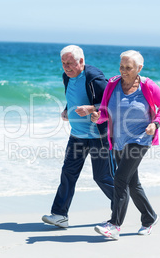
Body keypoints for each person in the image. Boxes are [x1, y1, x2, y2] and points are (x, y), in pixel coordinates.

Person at [91, 50, 160, 240]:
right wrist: (97, 118)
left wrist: (155, 123)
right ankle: (150, 217)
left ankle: (115, 225)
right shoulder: (112, 84)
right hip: (118, 140)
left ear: (139, 68)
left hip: (140, 139)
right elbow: (105, 110)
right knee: (133, 183)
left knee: (120, 178)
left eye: (128, 67)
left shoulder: (148, 86)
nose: (124, 71)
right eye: (121, 66)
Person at [42, 45, 115, 228]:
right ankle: (60, 215)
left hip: (98, 136)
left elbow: (111, 102)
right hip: (77, 135)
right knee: (68, 173)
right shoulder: (67, 76)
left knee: (102, 177)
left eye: (70, 63)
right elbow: (74, 96)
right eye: (63, 63)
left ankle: (121, 205)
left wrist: (91, 109)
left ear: (81, 61)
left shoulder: (94, 78)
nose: (66, 67)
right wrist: (68, 109)